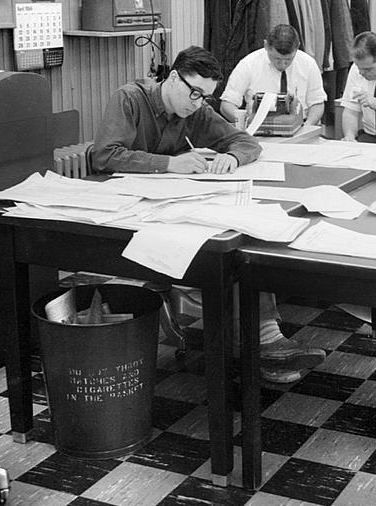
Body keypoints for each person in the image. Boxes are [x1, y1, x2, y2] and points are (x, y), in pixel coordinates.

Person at [90, 46, 326, 383]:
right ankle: (263, 344)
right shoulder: (130, 99)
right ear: (173, 78)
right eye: (194, 92)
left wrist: (233, 157)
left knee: (240, 240)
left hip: (170, 211)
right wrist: (170, 164)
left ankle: (267, 341)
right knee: (225, 250)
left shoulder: (196, 111)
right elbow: (105, 155)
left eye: (205, 97)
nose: (197, 102)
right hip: (123, 216)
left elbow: (246, 142)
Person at [219, 24, 327, 128]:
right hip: (257, 127)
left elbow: (317, 103)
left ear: (297, 47)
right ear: (266, 46)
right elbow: (227, 104)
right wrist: (247, 122)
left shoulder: (308, 63)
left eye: (288, 59)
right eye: (277, 59)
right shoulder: (248, 64)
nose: (283, 64)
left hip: (301, 126)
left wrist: (308, 126)